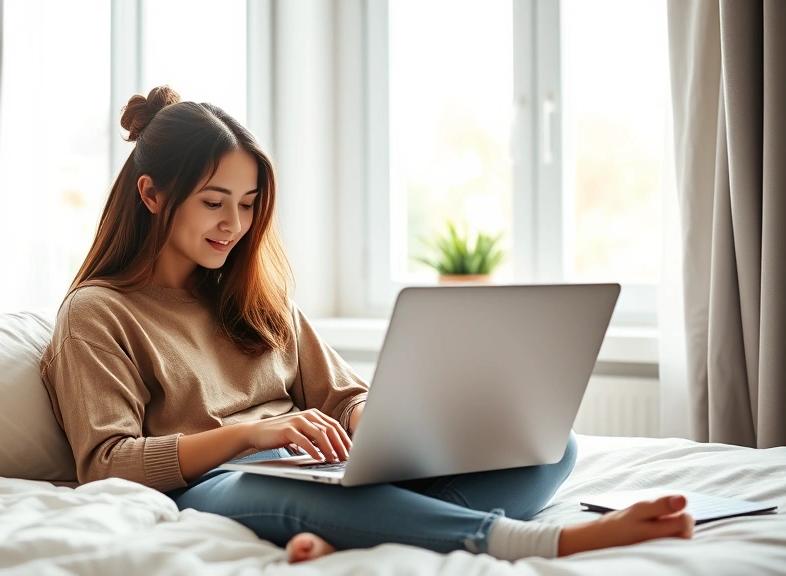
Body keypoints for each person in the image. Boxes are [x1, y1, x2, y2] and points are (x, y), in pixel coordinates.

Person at [40, 85, 694, 564]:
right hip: (217, 483)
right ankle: (539, 540)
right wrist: (249, 435)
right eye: (214, 203)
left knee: (551, 445)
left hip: (315, 468)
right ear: (152, 195)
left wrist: (379, 425)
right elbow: (105, 463)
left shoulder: (254, 297)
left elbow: (346, 396)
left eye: (246, 205)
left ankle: (353, 532)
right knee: (316, 492)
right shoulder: (99, 312)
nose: (234, 226)